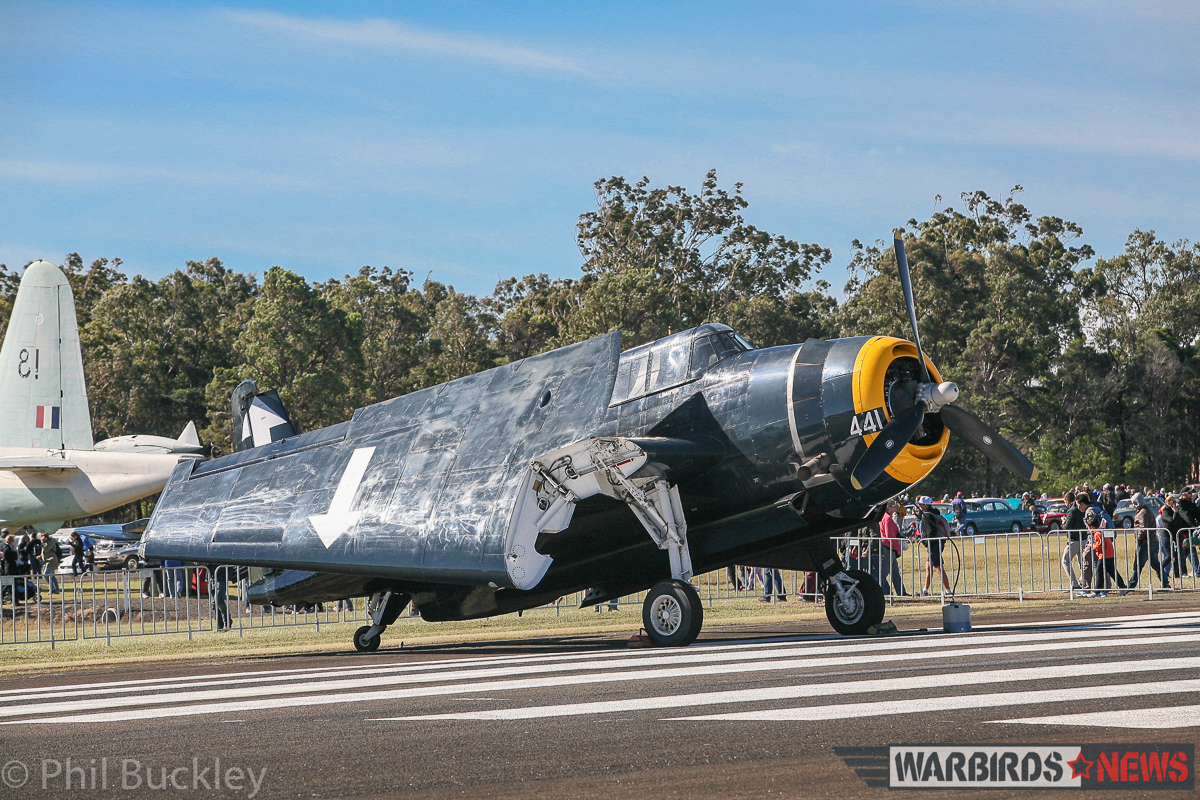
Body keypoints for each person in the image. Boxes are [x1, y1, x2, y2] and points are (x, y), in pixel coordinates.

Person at [1087, 508, 1126, 596]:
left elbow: (1099, 545)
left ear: (1092, 527)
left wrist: (1092, 546)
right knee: (1112, 572)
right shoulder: (1102, 531)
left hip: (1104, 556)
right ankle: (1123, 587)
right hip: (1109, 554)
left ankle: (1097, 591)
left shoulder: (1097, 533)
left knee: (1099, 573)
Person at [916, 496, 951, 596]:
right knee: (928, 566)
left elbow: (931, 531)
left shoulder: (926, 515)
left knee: (938, 568)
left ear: (926, 505)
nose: (920, 506)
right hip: (938, 543)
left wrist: (926, 543)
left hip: (933, 544)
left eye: (921, 504)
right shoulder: (934, 513)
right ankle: (925, 590)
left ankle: (948, 591)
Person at [1128, 498, 1165, 590]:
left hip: (1145, 542)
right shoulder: (1146, 511)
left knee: (1138, 564)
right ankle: (1165, 582)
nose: (1133, 505)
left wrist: (1139, 539)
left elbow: (1143, 528)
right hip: (1152, 541)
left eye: (1133, 503)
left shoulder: (1142, 513)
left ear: (1137, 503)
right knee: (1155, 564)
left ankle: (1131, 584)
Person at [872, 500, 906, 596]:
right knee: (884, 572)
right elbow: (889, 535)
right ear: (888, 507)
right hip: (887, 546)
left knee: (895, 571)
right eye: (893, 506)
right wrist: (898, 548)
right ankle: (881, 591)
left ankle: (901, 592)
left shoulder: (886, 517)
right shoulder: (887, 518)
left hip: (888, 546)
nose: (895, 508)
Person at [1060, 494, 1090, 590]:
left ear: (1067, 501)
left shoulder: (1072, 510)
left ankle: (1074, 584)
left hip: (1075, 540)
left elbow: (1067, 526)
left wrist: (1063, 523)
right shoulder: (1083, 509)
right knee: (1082, 563)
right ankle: (1083, 582)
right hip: (1084, 538)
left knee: (1065, 561)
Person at [1176, 490, 1200, 577]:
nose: (1191, 495)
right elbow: (1186, 517)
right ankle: (1194, 571)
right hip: (1184, 531)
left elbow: (1197, 514)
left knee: (1188, 552)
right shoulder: (1181, 504)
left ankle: (1194, 570)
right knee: (1189, 551)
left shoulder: (1191, 504)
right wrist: (1193, 526)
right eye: (1189, 494)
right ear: (1184, 495)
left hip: (1191, 530)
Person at [1157, 498, 1177, 587]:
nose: (1174, 503)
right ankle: (1160, 567)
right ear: (1168, 502)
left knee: (1173, 555)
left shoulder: (1174, 510)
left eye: (1175, 501)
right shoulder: (1165, 511)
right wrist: (1175, 512)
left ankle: (1166, 571)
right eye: (1172, 502)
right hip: (1165, 535)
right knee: (1169, 555)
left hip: (1173, 535)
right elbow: (1171, 520)